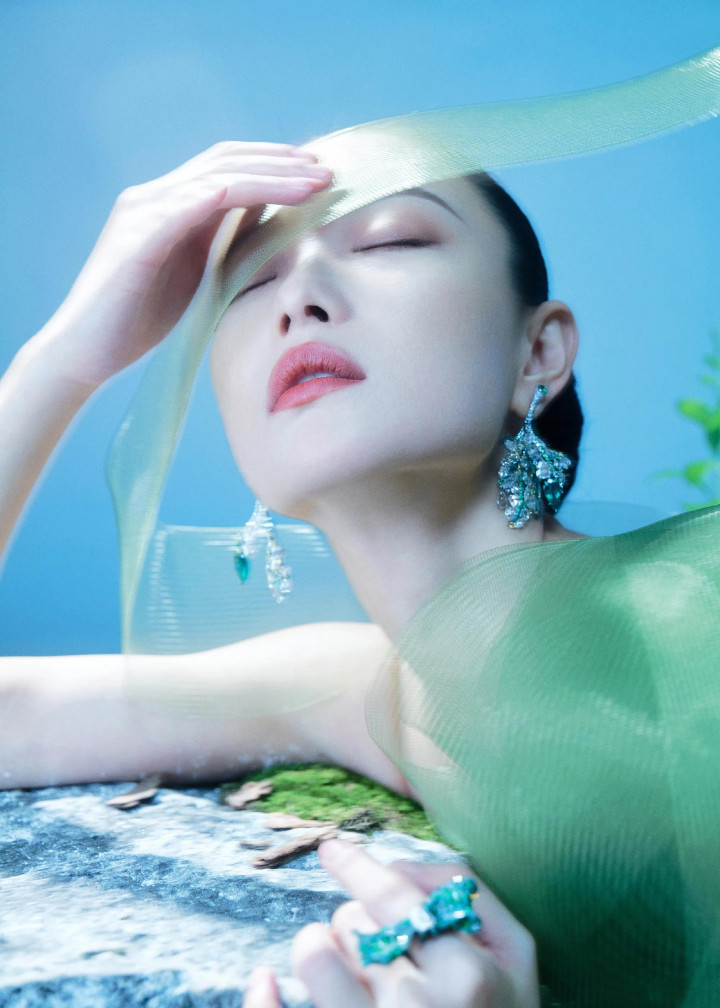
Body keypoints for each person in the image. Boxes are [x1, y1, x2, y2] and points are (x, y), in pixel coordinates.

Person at [1, 130, 719, 1007]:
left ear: (538, 352)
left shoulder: (698, 593)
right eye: (249, 284)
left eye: (390, 241)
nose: (297, 298)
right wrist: (61, 359)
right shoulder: (354, 690)